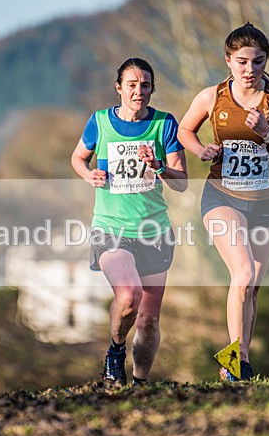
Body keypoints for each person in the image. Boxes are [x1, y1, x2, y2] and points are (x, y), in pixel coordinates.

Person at [178, 23, 269, 381]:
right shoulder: (212, 97)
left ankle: (239, 363)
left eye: (258, 61)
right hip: (222, 197)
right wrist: (201, 149)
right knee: (244, 272)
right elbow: (184, 130)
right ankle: (234, 363)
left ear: (267, 61)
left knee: (252, 287)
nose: (250, 70)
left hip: (267, 203)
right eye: (242, 62)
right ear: (228, 61)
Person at [71, 57, 187, 386]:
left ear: (152, 89)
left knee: (148, 321)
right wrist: (88, 174)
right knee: (128, 296)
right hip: (111, 228)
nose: (139, 91)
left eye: (146, 85)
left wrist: (159, 166)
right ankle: (116, 350)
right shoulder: (100, 122)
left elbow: (181, 182)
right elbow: (78, 157)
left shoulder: (164, 124)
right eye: (132, 85)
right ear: (118, 88)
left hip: (154, 231)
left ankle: (139, 385)